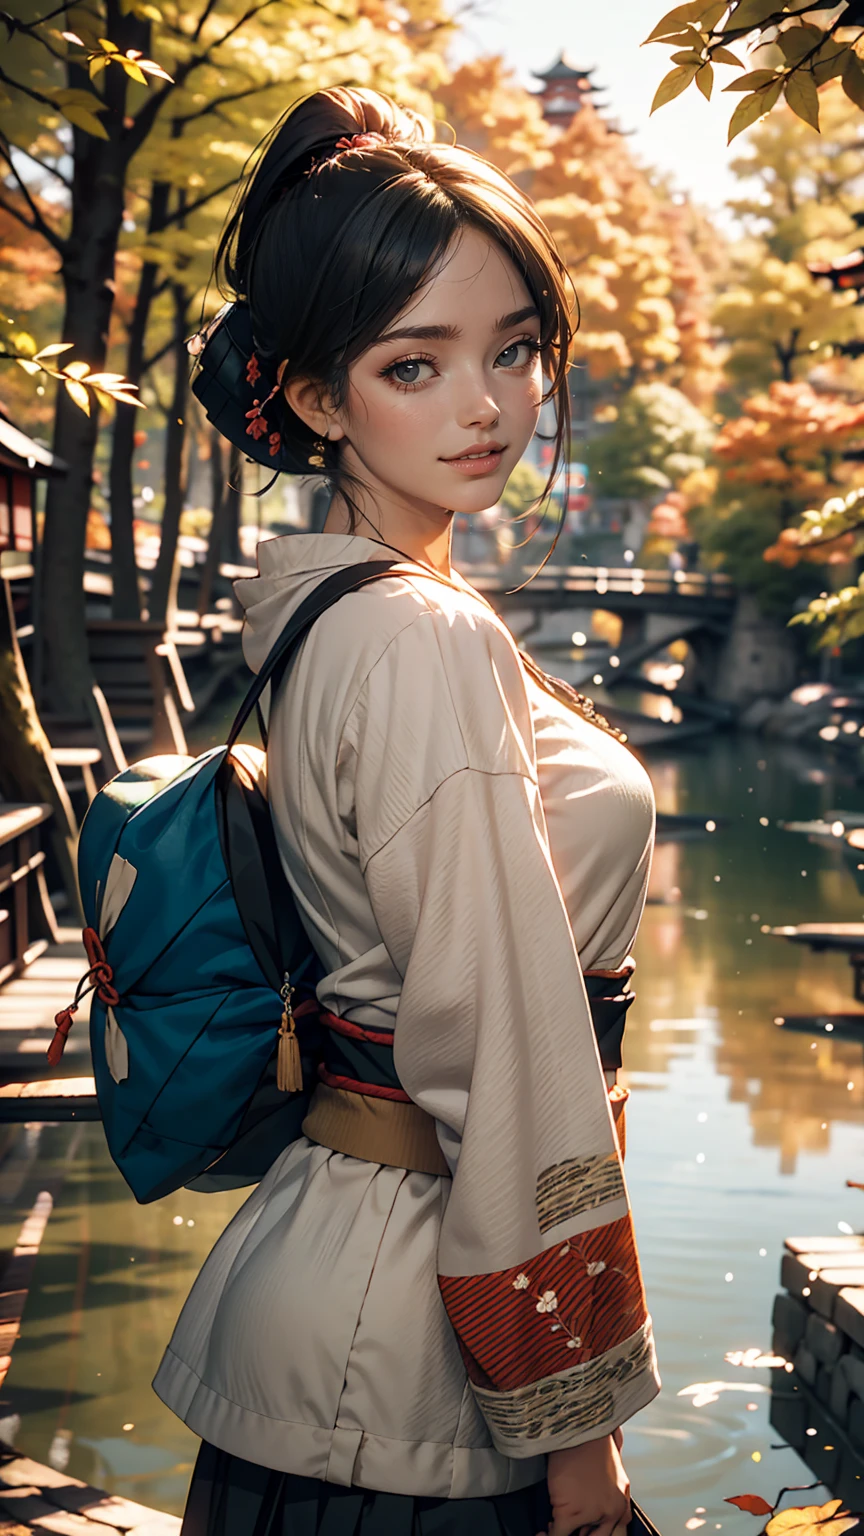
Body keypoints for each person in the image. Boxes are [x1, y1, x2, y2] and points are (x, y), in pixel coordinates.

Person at [155, 86, 660, 1536]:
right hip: (415, 1375)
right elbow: (501, 1043)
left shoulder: (345, 614)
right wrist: (578, 1429)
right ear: (318, 399)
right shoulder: (419, 637)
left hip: (335, 1308)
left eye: (513, 351)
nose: (489, 405)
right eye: (414, 364)